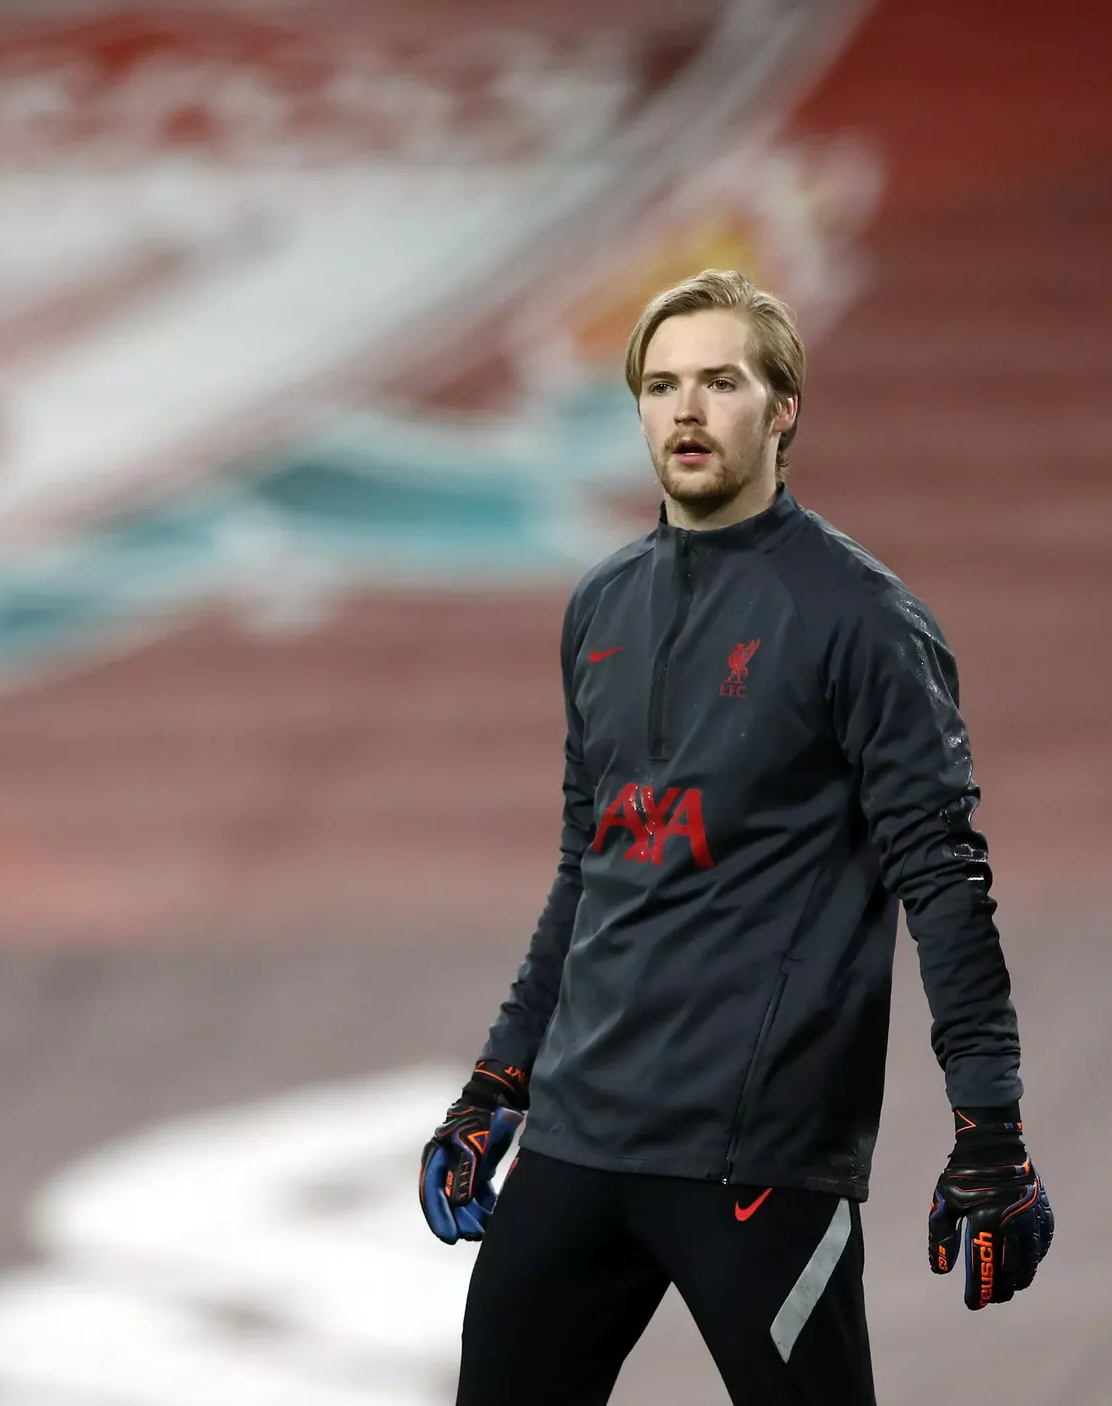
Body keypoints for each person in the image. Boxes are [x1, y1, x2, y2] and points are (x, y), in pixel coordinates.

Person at [418, 270, 1054, 1405]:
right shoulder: (598, 606)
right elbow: (589, 867)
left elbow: (945, 883)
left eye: (720, 380)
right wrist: (495, 1082)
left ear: (782, 407)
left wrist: (989, 1128)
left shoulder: (861, 619)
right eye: (659, 385)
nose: (686, 410)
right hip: (575, 1139)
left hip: (752, 1161)